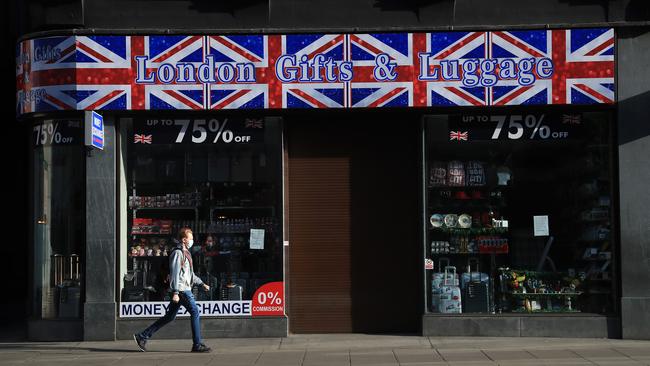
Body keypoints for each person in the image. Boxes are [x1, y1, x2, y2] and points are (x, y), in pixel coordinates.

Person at [133, 227, 211, 353]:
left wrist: (201, 283)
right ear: (184, 239)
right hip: (182, 290)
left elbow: (189, 274)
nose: (192, 240)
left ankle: (142, 336)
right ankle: (197, 344)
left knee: (169, 316)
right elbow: (175, 274)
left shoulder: (186, 253)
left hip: (182, 289)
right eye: (191, 238)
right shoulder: (178, 253)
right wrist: (175, 292)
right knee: (195, 312)